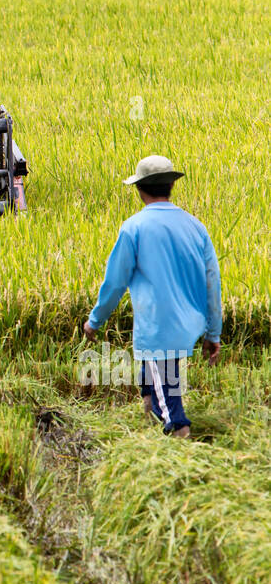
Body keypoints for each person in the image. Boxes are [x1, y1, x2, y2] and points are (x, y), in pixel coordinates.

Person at [83, 155, 223, 440]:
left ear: (139, 189)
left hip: (159, 328)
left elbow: (115, 282)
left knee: (170, 407)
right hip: (185, 325)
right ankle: (150, 426)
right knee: (151, 385)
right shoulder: (196, 226)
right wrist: (213, 333)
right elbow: (212, 283)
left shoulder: (134, 228)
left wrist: (94, 321)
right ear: (171, 185)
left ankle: (178, 440)